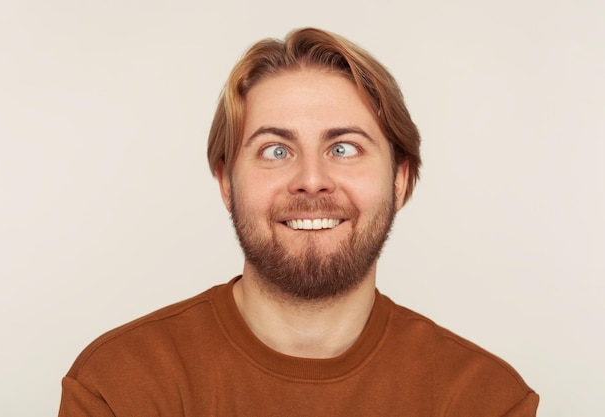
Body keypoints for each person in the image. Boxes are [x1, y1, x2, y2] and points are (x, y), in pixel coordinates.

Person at [58, 27, 538, 416]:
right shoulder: (121, 387)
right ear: (226, 181)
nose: (311, 180)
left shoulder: (485, 400)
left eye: (344, 148)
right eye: (276, 150)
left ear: (400, 179)